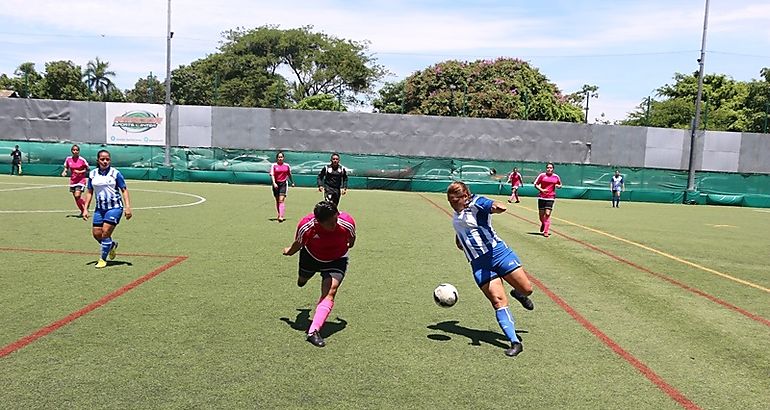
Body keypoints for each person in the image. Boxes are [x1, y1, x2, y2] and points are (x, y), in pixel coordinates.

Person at [446, 181, 534, 357]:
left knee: (527, 289)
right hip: (479, 264)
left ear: (465, 196)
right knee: (498, 301)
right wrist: (460, 241)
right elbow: (462, 233)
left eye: (456, 201)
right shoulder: (457, 216)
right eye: (450, 202)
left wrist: (497, 206)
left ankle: (519, 293)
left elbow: (495, 206)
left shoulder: (477, 203)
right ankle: (514, 342)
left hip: (499, 254)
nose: (453, 205)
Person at [282, 201, 356, 348]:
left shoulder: (346, 222)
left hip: (336, 259)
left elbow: (351, 239)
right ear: (318, 221)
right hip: (311, 257)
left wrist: (348, 245)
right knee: (302, 281)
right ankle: (303, 284)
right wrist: (289, 251)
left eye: (335, 219)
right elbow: (299, 243)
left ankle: (313, 331)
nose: (334, 224)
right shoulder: (307, 226)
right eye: (329, 223)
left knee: (331, 290)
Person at [82, 150, 133, 269]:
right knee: (96, 234)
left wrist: (128, 207)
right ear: (98, 160)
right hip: (99, 209)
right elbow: (89, 192)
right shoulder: (93, 174)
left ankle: (102, 259)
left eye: (107, 159)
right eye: (102, 159)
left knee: (105, 233)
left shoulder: (115, 173)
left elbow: (124, 190)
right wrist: (85, 209)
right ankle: (111, 245)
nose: (105, 161)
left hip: (114, 208)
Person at [534, 162, 562, 238]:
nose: (549, 169)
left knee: (547, 214)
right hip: (542, 197)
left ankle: (546, 231)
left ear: (553, 169)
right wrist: (542, 190)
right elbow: (535, 184)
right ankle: (543, 223)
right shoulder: (542, 176)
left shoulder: (556, 177)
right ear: (546, 168)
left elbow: (560, 184)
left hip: (551, 197)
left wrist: (558, 186)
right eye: (548, 168)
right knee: (541, 215)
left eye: (551, 168)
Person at [62, 144, 90, 217]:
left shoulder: (82, 160)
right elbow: (66, 167)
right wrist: (64, 171)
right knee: (76, 198)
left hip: (81, 180)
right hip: (73, 181)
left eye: (77, 150)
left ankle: (86, 207)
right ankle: (83, 211)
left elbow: (87, 169)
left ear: (79, 151)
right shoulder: (68, 159)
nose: (75, 151)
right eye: (74, 150)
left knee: (77, 195)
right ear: (71, 151)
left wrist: (80, 172)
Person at [270, 151, 295, 222]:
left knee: (281, 200)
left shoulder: (287, 165)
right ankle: (279, 213)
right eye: (279, 157)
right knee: (277, 200)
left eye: (281, 157)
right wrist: (274, 183)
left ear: (283, 158)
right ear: (277, 158)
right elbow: (272, 174)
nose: (280, 158)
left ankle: (281, 216)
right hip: (276, 184)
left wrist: (292, 182)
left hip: (283, 184)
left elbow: (289, 174)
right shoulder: (274, 165)